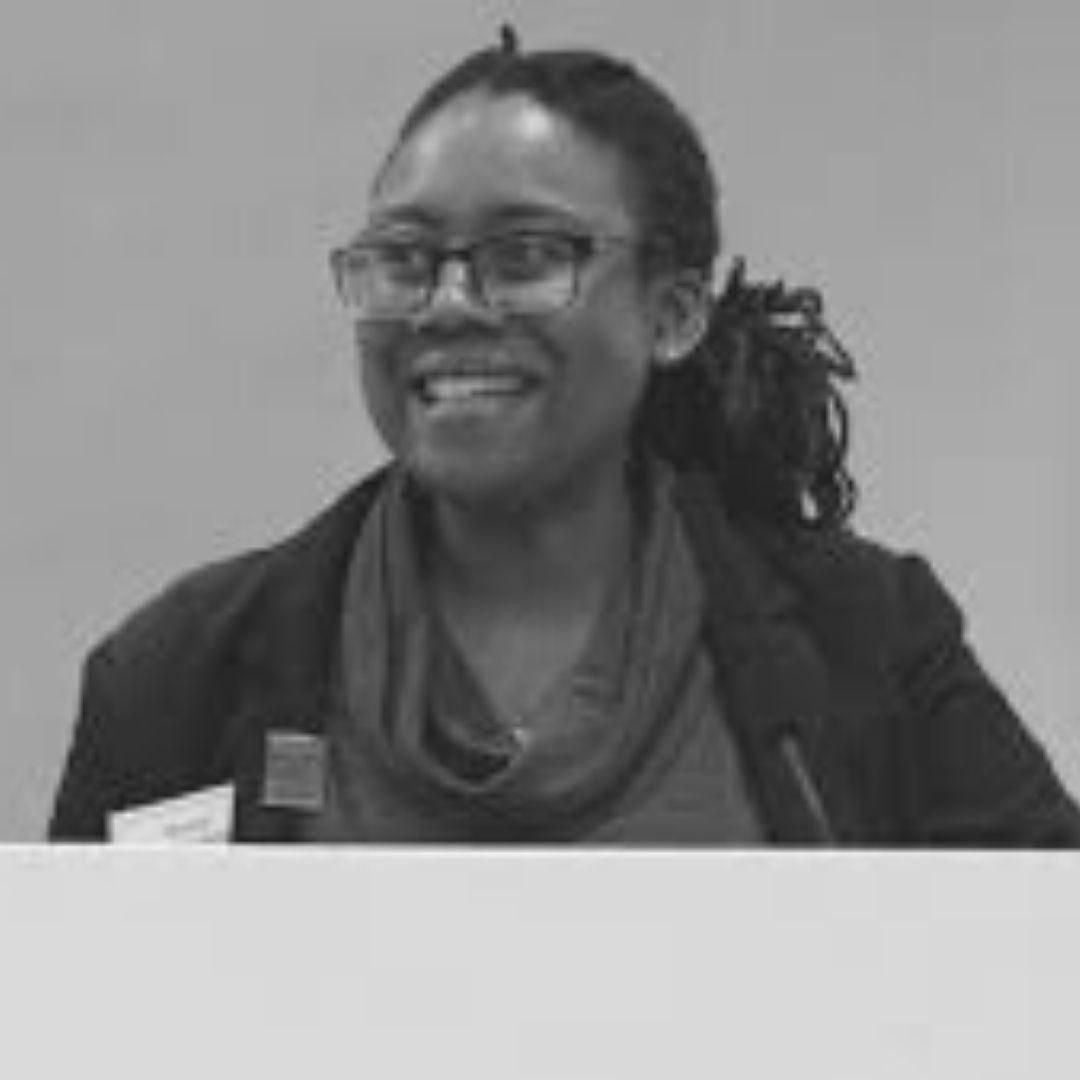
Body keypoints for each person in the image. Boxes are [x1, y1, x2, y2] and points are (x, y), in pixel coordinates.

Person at [49, 28, 1080, 845]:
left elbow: (1046, 971)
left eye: (525, 255)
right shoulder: (178, 679)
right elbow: (76, 1016)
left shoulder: (864, 642)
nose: (449, 303)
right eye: (404, 258)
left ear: (672, 314)